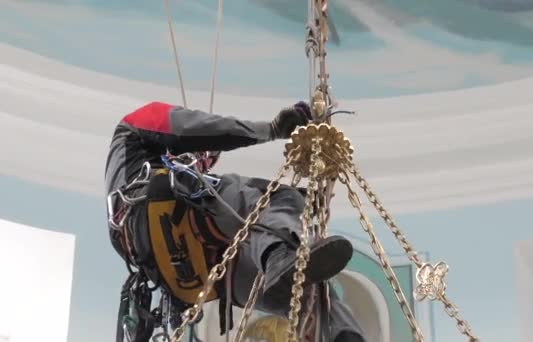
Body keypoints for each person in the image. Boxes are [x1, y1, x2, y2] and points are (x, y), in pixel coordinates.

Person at [105, 101, 367, 341]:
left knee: (308, 285)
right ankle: (279, 254)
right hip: (155, 211)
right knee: (272, 198)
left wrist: (305, 205)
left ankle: (345, 336)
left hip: (182, 271)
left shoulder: (136, 166)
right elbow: (198, 128)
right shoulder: (134, 124)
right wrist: (272, 129)